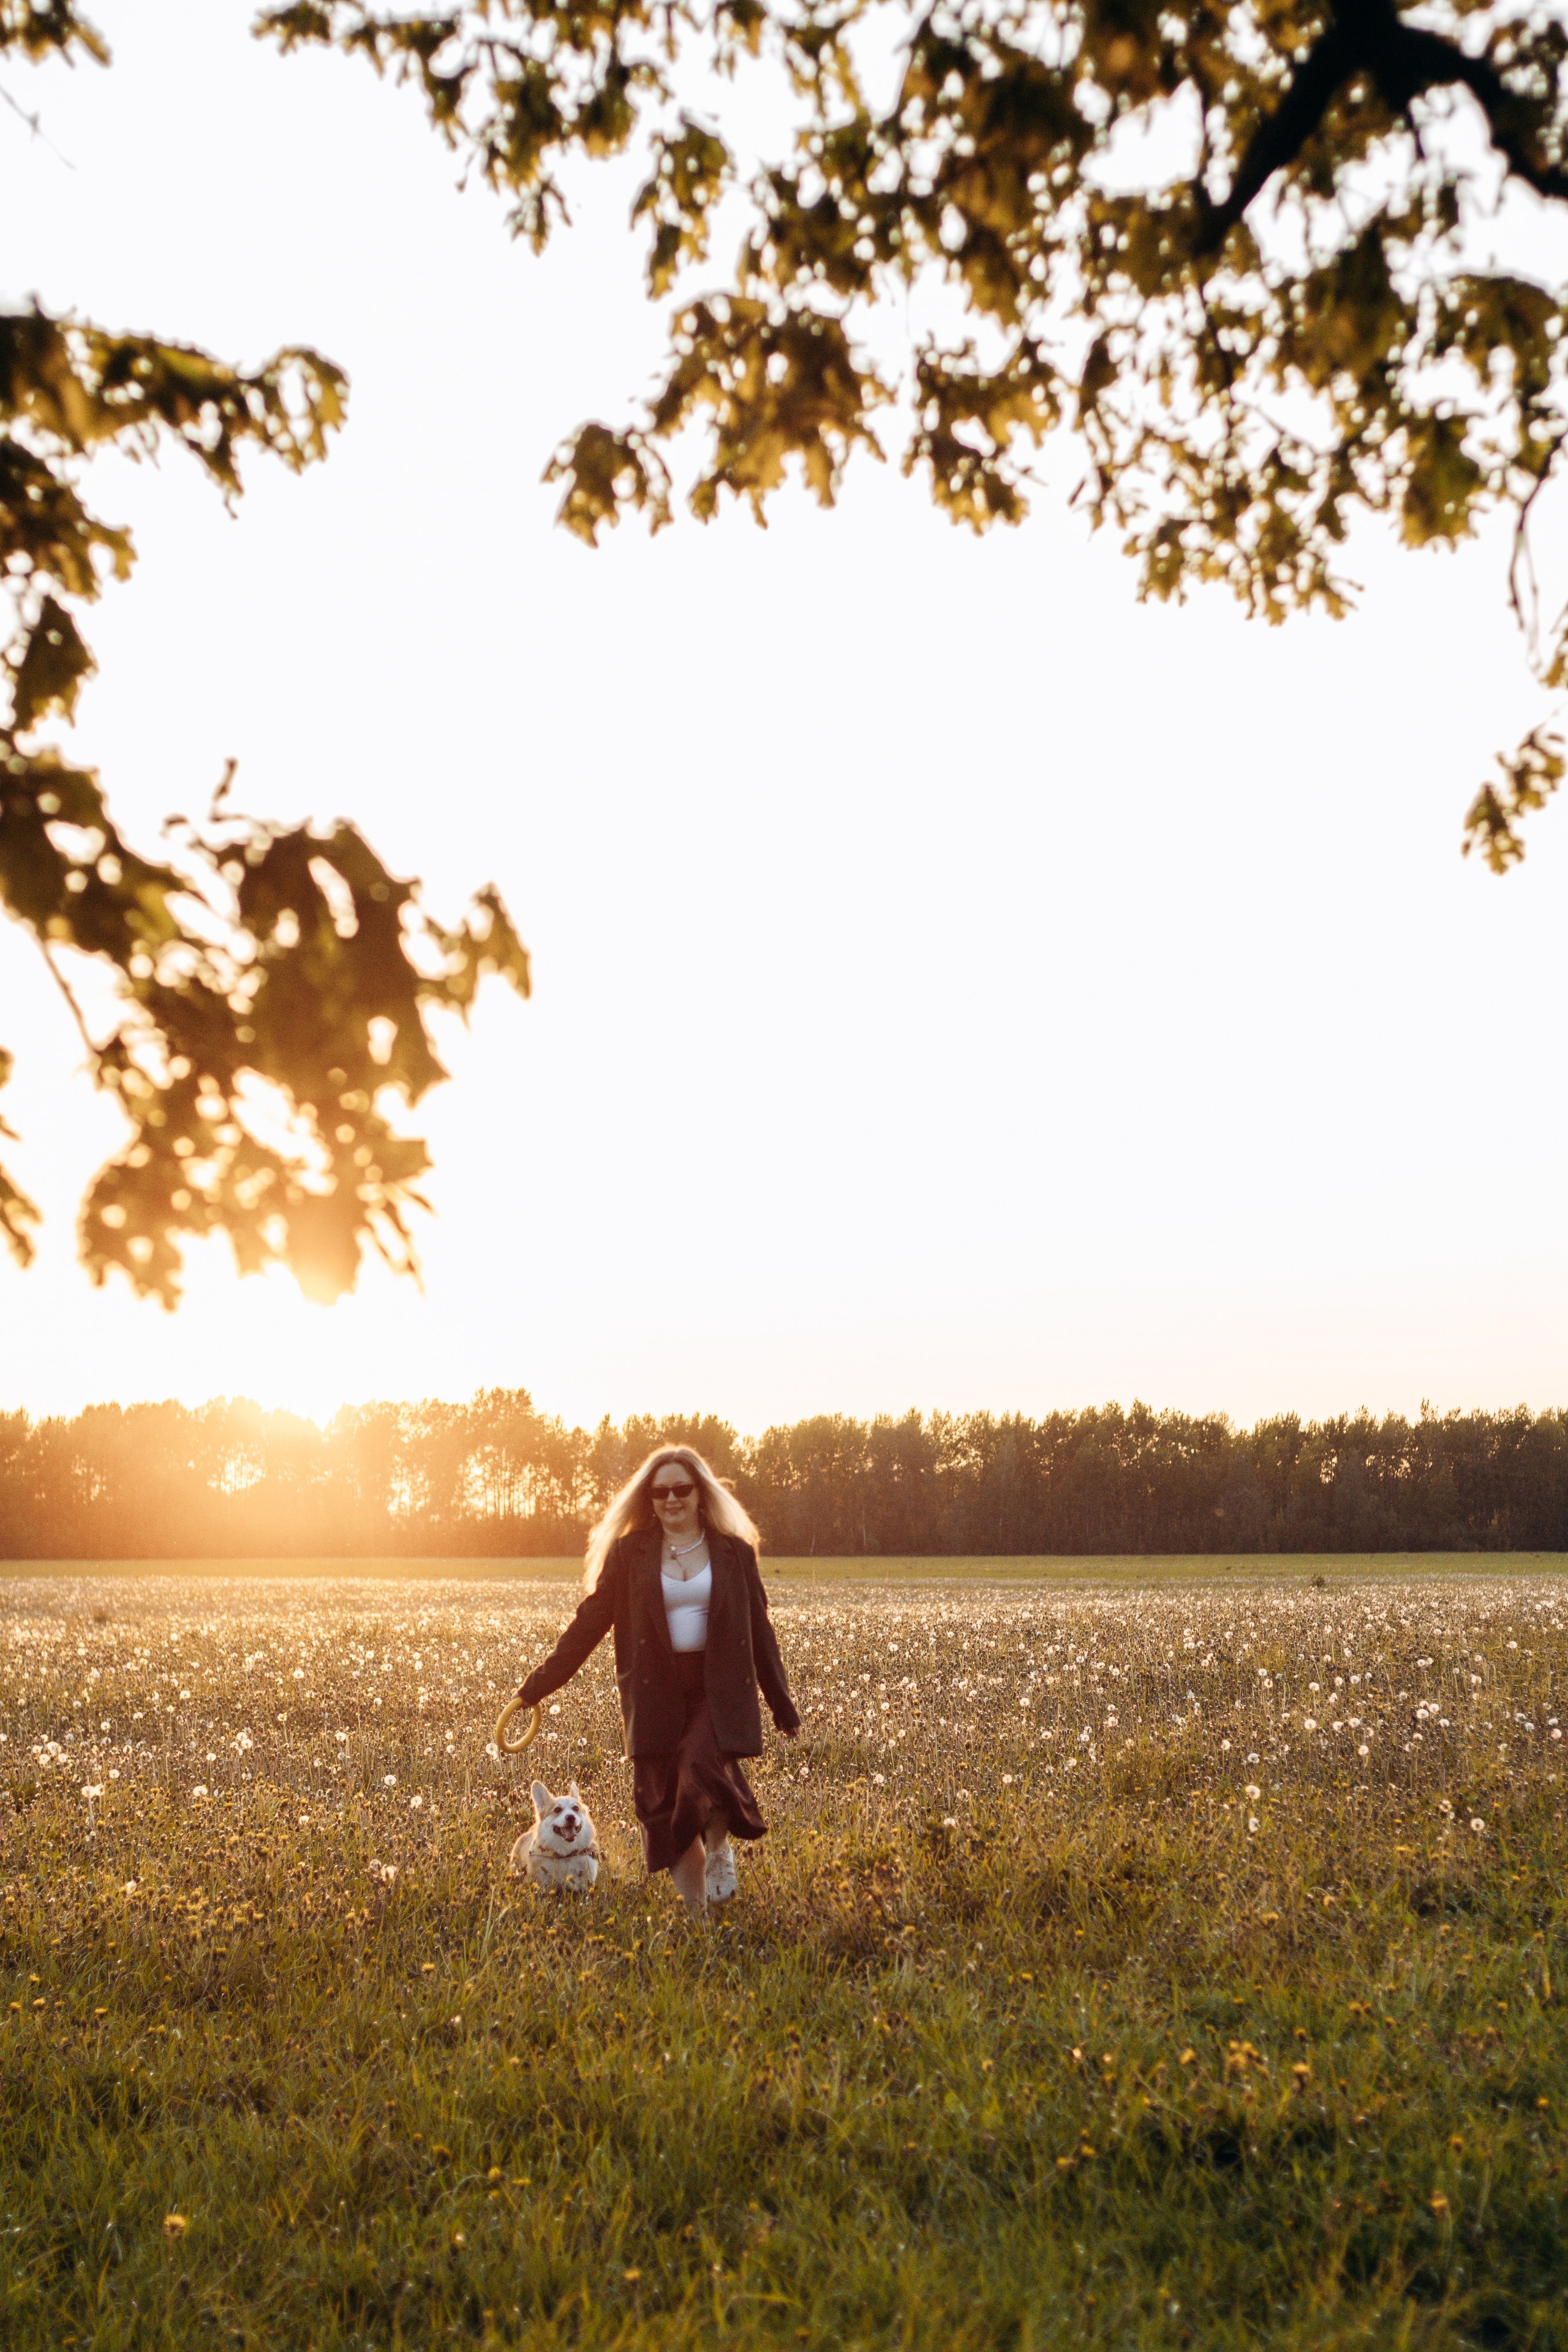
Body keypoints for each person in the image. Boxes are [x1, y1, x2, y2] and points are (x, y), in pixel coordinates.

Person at [511, 1446, 801, 1915]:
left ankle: (719, 1849)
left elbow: (760, 1632)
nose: (671, 1499)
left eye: (681, 1489)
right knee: (665, 1810)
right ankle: (699, 1918)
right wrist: (536, 1687)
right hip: (654, 1695)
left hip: (716, 1689)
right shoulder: (630, 1554)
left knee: (700, 1764)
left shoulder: (734, 1553)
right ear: (648, 1499)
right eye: (660, 1491)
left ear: (700, 1492)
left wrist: (782, 1705)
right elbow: (589, 1623)